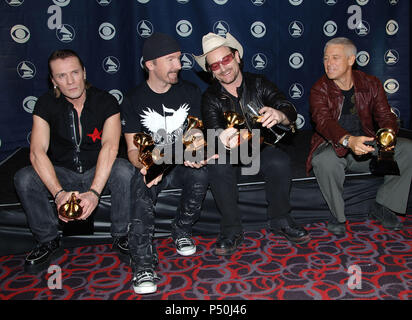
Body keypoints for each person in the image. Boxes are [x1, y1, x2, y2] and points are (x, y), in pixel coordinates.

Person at [14, 49, 135, 273]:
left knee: (124, 170)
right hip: (64, 172)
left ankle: (122, 236)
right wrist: (59, 193)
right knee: (24, 177)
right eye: (61, 76)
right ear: (53, 80)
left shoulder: (105, 101)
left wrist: (94, 192)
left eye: (74, 73)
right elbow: (37, 152)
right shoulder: (45, 104)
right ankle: (48, 240)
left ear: (84, 73)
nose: (70, 81)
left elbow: (110, 147)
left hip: (96, 170)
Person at [193, 32, 311, 256]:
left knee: (279, 160)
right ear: (210, 71)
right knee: (218, 165)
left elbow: (288, 109)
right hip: (231, 151)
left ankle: (281, 219)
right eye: (214, 65)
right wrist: (222, 139)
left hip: (261, 147)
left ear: (237, 56)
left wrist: (279, 115)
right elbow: (213, 131)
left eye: (226, 60)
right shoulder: (210, 97)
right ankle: (230, 228)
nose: (222, 68)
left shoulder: (259, 84)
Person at [121, 32, 209, 295]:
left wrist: (194, 153)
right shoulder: (134, 99)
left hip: (179, 161)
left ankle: (181, 229)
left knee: (201, 174)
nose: (179, 65)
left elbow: (196, 137)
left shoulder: (190, 91)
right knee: (142, 182)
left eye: (179, 58)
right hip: (155, 164)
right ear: (150, 64)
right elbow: (132, 150)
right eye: (170, 59)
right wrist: (148, 163)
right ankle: (143, 263)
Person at [306, 37, 412, 236]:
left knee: (407, 149)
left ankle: (383, 205)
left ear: (351, 60)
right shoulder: (319, 89)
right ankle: (337, 215)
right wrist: (348, 140)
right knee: (324, 161)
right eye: (326, 58)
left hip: (366, 143)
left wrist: (386, 136)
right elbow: (324, 122)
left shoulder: (371, 83)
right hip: (333, 144)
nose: (329, 63)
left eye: (335, 58)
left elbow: (385, 116)